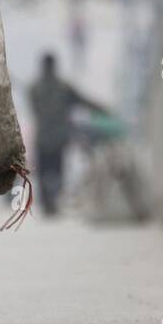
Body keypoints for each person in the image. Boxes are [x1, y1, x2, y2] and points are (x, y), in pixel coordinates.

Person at [26, 51, 109, 216]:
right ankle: (53, 201)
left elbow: (34, 107)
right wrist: (102, 109)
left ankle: (49, 203)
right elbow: (82, 101)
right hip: (57, 138)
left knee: (44, 172)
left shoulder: (34, 88)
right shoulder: (63, 87)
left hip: (43, 137)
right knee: (57, 171)